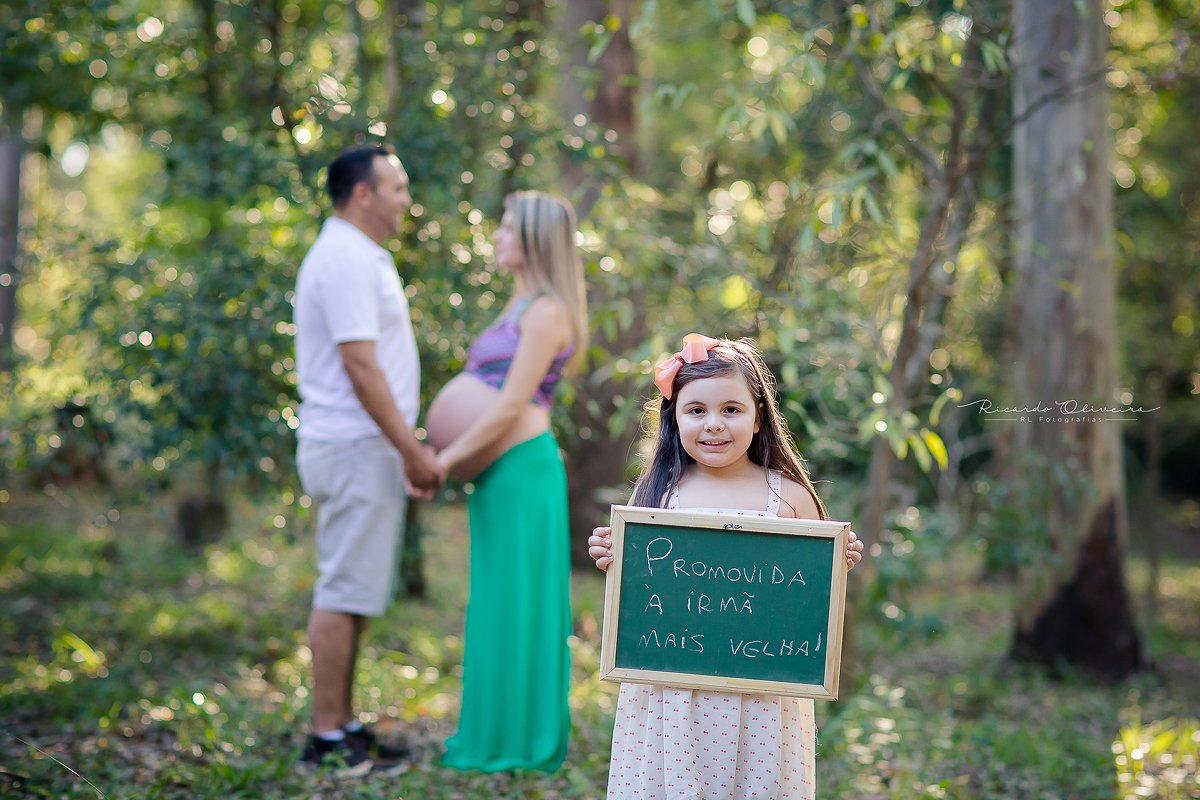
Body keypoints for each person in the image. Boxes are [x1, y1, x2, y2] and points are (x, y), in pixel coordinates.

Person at [588, 334, 864, 800]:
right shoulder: (658, 497)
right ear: (673, 420)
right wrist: (612, 557)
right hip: (672, 696)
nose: (714, 424)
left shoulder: (789, 497)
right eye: (696, 410)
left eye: (731, 410)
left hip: (764, 696)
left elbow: (810, 593)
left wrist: (838, 564)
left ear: (759, 417)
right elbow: (636, 593)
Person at [293, 145, 445, 775]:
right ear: (363, 194)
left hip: (362, 446)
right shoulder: (345, 258)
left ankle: (344, 725)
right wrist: (410, 450)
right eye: (398, 187)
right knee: (341, 588)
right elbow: (359, 364)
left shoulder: (356, 254)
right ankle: (326, 738)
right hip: (356, 445)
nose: (407, 199)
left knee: (355, 590)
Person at [425, 191, 587, 772]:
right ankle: (489, 730)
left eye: (507, 228)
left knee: (522, 604)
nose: (496, 236)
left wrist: (444, 463)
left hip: (522, 472)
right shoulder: (514, 308)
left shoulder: (547, 312)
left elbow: (509, 406)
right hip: (495, 477)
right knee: (495, 603)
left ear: (535, 241)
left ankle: (520, 740)